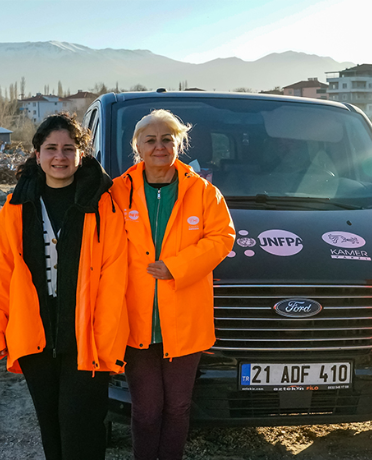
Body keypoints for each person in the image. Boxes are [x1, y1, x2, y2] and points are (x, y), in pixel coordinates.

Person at [0, 113, 129, 460]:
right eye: (51, 148)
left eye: (68, 148)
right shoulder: (15, 210)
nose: (60, 156)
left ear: (81, 154)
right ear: (37, 155)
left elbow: (114, 277)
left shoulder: (103, 207)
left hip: (87, 339)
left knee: (83, 427)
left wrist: (108, 337)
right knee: (51, 426)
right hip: (35, 338)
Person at [111, 109, 235, 460]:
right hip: (135, 321)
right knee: (147, 410)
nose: (160, 146)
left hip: (185, 321)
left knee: (178, 408)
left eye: (168, 139)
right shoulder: (118, 192)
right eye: (150, 140)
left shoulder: (204, 192)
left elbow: (223, 237)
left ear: (179, 143)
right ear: (137, 147)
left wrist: (176, 267)